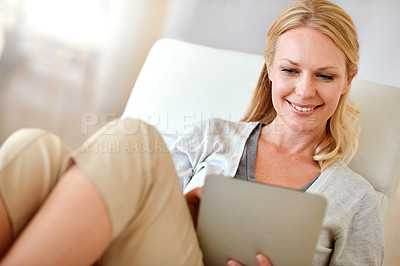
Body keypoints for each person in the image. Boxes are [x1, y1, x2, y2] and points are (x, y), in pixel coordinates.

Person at [0, 0, 384, 265]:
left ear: (348, 80)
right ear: (268, 68)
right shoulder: (210, 137)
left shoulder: (357, 199)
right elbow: (137, 202)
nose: (304, 90)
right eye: (290, 70)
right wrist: (181, 208)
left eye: (325, 76)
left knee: (133, 138)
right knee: (36, 148)